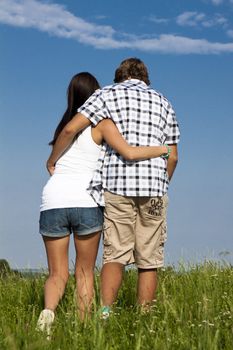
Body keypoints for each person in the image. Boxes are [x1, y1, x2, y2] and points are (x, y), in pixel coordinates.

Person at [37, 71, 170, 335]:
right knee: (84, 272)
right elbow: (129, 152)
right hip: (87, 201)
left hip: (52, 201)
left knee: (56, 274)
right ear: (97, 94)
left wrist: (51, 160)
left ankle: (48, 314)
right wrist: (163, 150)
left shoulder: (62, 128)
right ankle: (84, 330)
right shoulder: (103, 125)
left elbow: (67, 132)